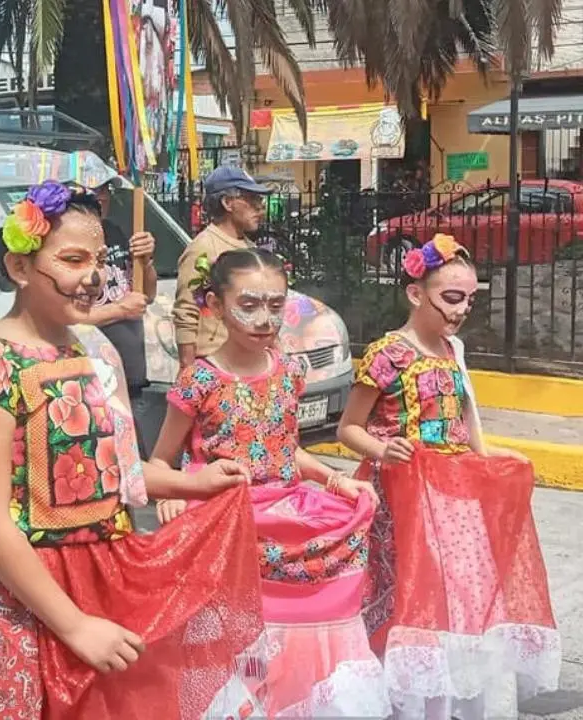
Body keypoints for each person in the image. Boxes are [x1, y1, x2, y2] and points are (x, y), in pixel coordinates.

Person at [0, 180, 270, 719]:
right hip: (21, 595)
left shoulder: (96, 353)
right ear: (19, 267)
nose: (93, 277)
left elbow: (116, 471)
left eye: (100, 260)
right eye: (73, 260)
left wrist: (191, 483)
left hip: (106, 577)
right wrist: (75, 625)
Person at [151, 248, 389, 717]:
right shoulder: (199, 381)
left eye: (276, 305)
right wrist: (174, 492)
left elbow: (284, 448)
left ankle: (295, 700)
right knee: (243, 641)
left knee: (308, 620)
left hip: (287, 511)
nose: (264, 319)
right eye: (249, 305)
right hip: (227, 520)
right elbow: (159, 461)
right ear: (215, 305)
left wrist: (334, 480)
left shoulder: (289, 372)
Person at [337, 234, 559, 718]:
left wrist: (491, 456)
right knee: (402, 593)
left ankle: (445, 694)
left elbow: (467, 420)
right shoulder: (387, 354)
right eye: (452, 297)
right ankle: (399, 697)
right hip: (398, 498)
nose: (461, 311)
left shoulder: (452, 349)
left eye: (470, 300)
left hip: (451, 496)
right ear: (416, 293)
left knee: (456, 594)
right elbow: (348, 428)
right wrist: (382, 449)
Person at [87, 176, 158, 454]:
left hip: (130, 373)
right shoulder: (66, 246)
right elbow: (63, 315)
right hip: (93, 378)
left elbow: (146, 295)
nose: (101, 196)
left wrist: (146, 262)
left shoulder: (115, 231)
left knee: (134, 460)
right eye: (92, 189)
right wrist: (118, 310)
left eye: (104, 189)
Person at [173, 166, 270, 368]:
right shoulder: (204, 247)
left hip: (247, 361)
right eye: (251, 199)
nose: (260, 208)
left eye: (260, 200)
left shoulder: (250, 248)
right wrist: (188, 368)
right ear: (227, 203)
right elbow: (186, 311)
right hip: (215, 363)